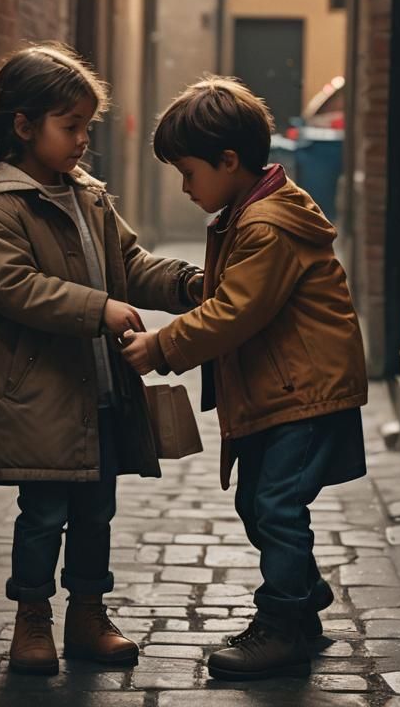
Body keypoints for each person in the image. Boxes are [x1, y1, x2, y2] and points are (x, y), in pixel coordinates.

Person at [0, 43, 203, 676]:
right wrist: (99, 309)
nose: (84, 140)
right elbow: (11, 284)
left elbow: (131, 263)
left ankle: (89, 614)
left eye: (88, 126)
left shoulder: (86, 195)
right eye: (71, 127)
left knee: (96, 511)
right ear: (23, 126)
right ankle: (32, 621)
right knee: (43, 516)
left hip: (100, 391)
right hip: (40, 395)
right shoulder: (0, 205)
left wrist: (186, 285)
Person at [121, 76, 368, 682]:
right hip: (284, 389)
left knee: (275, 507)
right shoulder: (247, 212)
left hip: (305, 393)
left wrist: (162, 345)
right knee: (258, 505)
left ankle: (283, 625)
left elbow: (235, 311)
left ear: (229, 161)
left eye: (188, 172)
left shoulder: (264, 225)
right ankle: (302, 601)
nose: (184, 187)